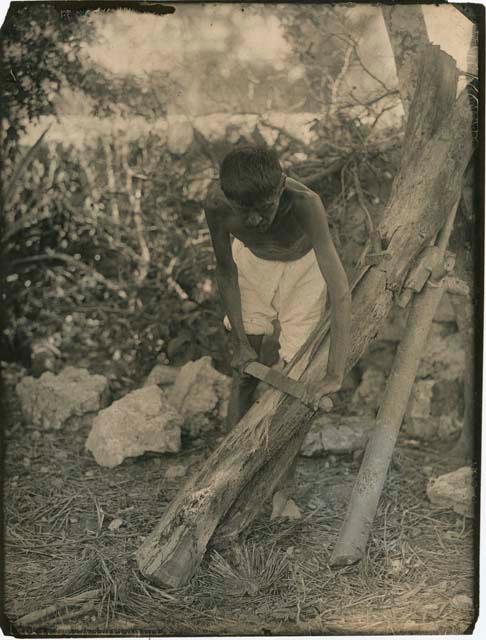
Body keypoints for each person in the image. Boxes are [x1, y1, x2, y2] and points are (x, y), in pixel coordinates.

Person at [204, 145, 351, 518]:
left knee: (297, 378)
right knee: (244, 372)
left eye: (264, 209)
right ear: (228, 198)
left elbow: (339, 289)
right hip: (251, 266)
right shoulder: (218, 205)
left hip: (304, 270)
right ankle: (225, 477)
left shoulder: (305, 202)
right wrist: (239, 342)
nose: (255, 222)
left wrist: (335, 372)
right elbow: (225, 271)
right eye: (245, 212)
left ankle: (282, 491)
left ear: (282, 185)